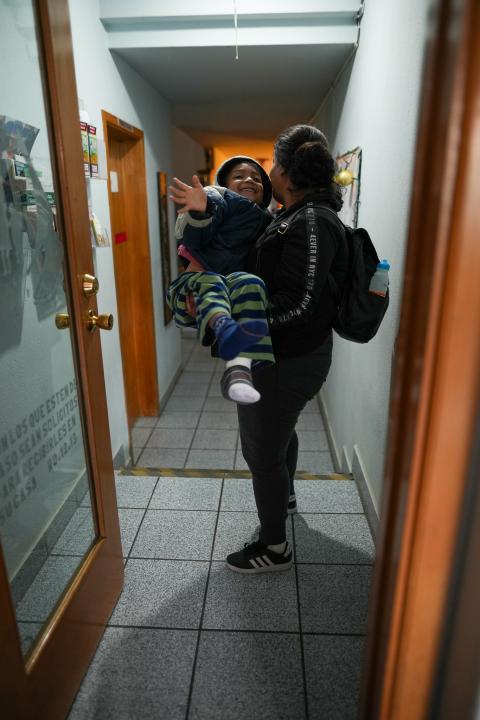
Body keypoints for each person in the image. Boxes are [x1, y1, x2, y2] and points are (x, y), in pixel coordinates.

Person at [226, 125, 349, 573]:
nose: (268, 170)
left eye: (273, 162)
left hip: (289, 357)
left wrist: (240, 323)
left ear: (286, 171)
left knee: (260, 452)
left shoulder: (311, 221)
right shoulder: (292, 214)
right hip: (284, 354)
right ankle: (287, 497)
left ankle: (274, 547)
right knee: (281, 434)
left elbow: (297, 305)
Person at [167, 156, 275, 404]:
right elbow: (195, 239)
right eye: (239, 176)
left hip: (224, 290)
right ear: (225, 183)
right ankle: (224, 327)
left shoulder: (266, 220)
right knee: (212, 282)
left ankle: (238, 373)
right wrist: (201, 211)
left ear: (265, 192)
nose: (249, 179)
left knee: (251, 283)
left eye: (257, 178)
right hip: (191, 288)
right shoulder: (220, 198)